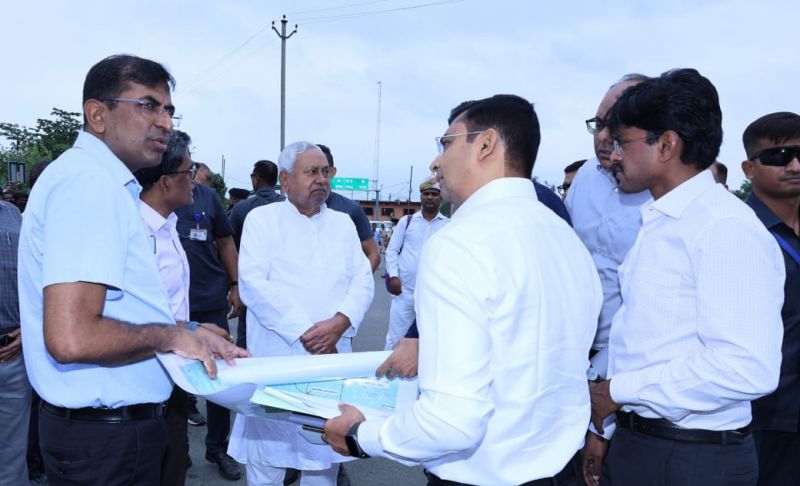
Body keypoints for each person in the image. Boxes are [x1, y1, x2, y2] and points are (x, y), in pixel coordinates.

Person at [324, 95, 602, 485]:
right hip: (560, 470)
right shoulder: (566, 239)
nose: (435, 162)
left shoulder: (461, 242)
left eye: (446, 143)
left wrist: (360, 436)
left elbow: (453, 421)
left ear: (486, 144)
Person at [17, 54, 246, 485]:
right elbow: (72, 337)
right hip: (106, 441)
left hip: (107, 436)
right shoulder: (89, 183)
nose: (165, 123)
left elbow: (118, 310)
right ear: (97, 115)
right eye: (148, 105)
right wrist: (172, 337)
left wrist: (189, 329)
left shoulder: (101, 181)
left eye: (169, 110)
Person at [588, 68, 784, 486]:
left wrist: (618, 391)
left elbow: (746, 367)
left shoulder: (723, 227)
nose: (613, 155)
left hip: (691, 458)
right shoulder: (664, 221)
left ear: (666, 144)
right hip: (648, 444)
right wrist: (605, 426)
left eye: (622, 142)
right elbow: (644, 344)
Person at [229, 141, 374, 486]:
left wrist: (339, 323)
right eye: (311, 172)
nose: (321, 179)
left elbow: (363, 280)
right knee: (267, 462)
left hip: (330, 362)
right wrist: (307, 332)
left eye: (325, 172)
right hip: (278, 359)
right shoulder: (261, 219)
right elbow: (253, 284)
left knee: (321, 461)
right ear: (285, 179)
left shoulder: (343, 223)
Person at [135, 129, 243, 486]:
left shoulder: (167, 225)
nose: (194, 179)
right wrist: (189, 331)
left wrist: (195, 329)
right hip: (141, 387)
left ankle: (215, 448)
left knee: (173, 460)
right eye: (188, 171)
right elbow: (132, 314)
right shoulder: (135, 230)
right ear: (165, 181)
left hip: (171, 371)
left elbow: (161, 309)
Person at [740, 112, 800, 485]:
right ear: (749, 168)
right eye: (778, 156)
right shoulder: (737, 232)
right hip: (764, 417)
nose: (794, 166)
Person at [174, 168, 243, 480]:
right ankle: (178, 449)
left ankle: (217, 447)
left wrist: (235, 285)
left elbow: (226, 243)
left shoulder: (207, 197)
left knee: (219, 377)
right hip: (172, 307)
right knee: (174, 380)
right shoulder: (150, 193)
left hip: (209, 299)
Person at [383, 176, 448, 350]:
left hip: (431, 294)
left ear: (441, 197)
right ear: (420, 197)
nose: (430, 197)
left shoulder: (447, 225)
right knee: (395, 337)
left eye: (434, 194)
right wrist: (394, 276)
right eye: (426, 194)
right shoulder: (407, 222)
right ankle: (388, 366)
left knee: (428, 340)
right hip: (404, 292)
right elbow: (392, 251)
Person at [229, 160, 285, 349]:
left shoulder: (241, 208)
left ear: (257, 180)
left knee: (247, 337)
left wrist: (233, 285)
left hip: (251, 284)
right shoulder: (289, 208)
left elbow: (229, 247)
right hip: (284, 285)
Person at [0, 198, 30, 486]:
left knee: (12, 455)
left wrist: (29, 327)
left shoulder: (13, 215)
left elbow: (35, 276)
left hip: (14, 354)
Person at [317, 144, 381, 272]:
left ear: (332, 172)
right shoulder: (290, 209)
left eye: (324, 171)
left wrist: (361, 282)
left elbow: (374, 255)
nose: (318, 178)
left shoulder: (351, 209)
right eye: (311, 171)